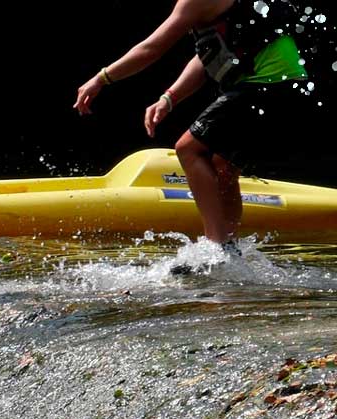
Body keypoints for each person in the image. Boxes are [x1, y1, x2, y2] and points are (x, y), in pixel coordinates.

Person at [74, 0, 314, 246]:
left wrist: (101, 78)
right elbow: (207, 54)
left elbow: (151, 49)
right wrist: (170, 97)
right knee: (223, 168)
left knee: (188, 149)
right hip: (288, 88)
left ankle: (215, 248)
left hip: (268, 86)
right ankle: (229, 247)